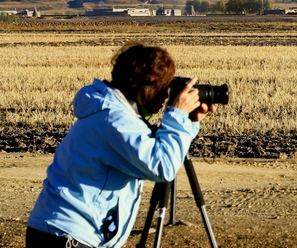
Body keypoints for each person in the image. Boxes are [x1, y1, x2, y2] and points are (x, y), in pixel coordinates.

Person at [26, 42, 215, 248]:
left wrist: (190, 121)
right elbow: (162, 166)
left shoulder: (112, 114)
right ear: (145, 86)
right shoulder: (114, 119)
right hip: (67, 236)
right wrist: (177, 115)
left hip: (61, 232)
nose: (165, 97)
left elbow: (155, 147)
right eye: (163, 87)